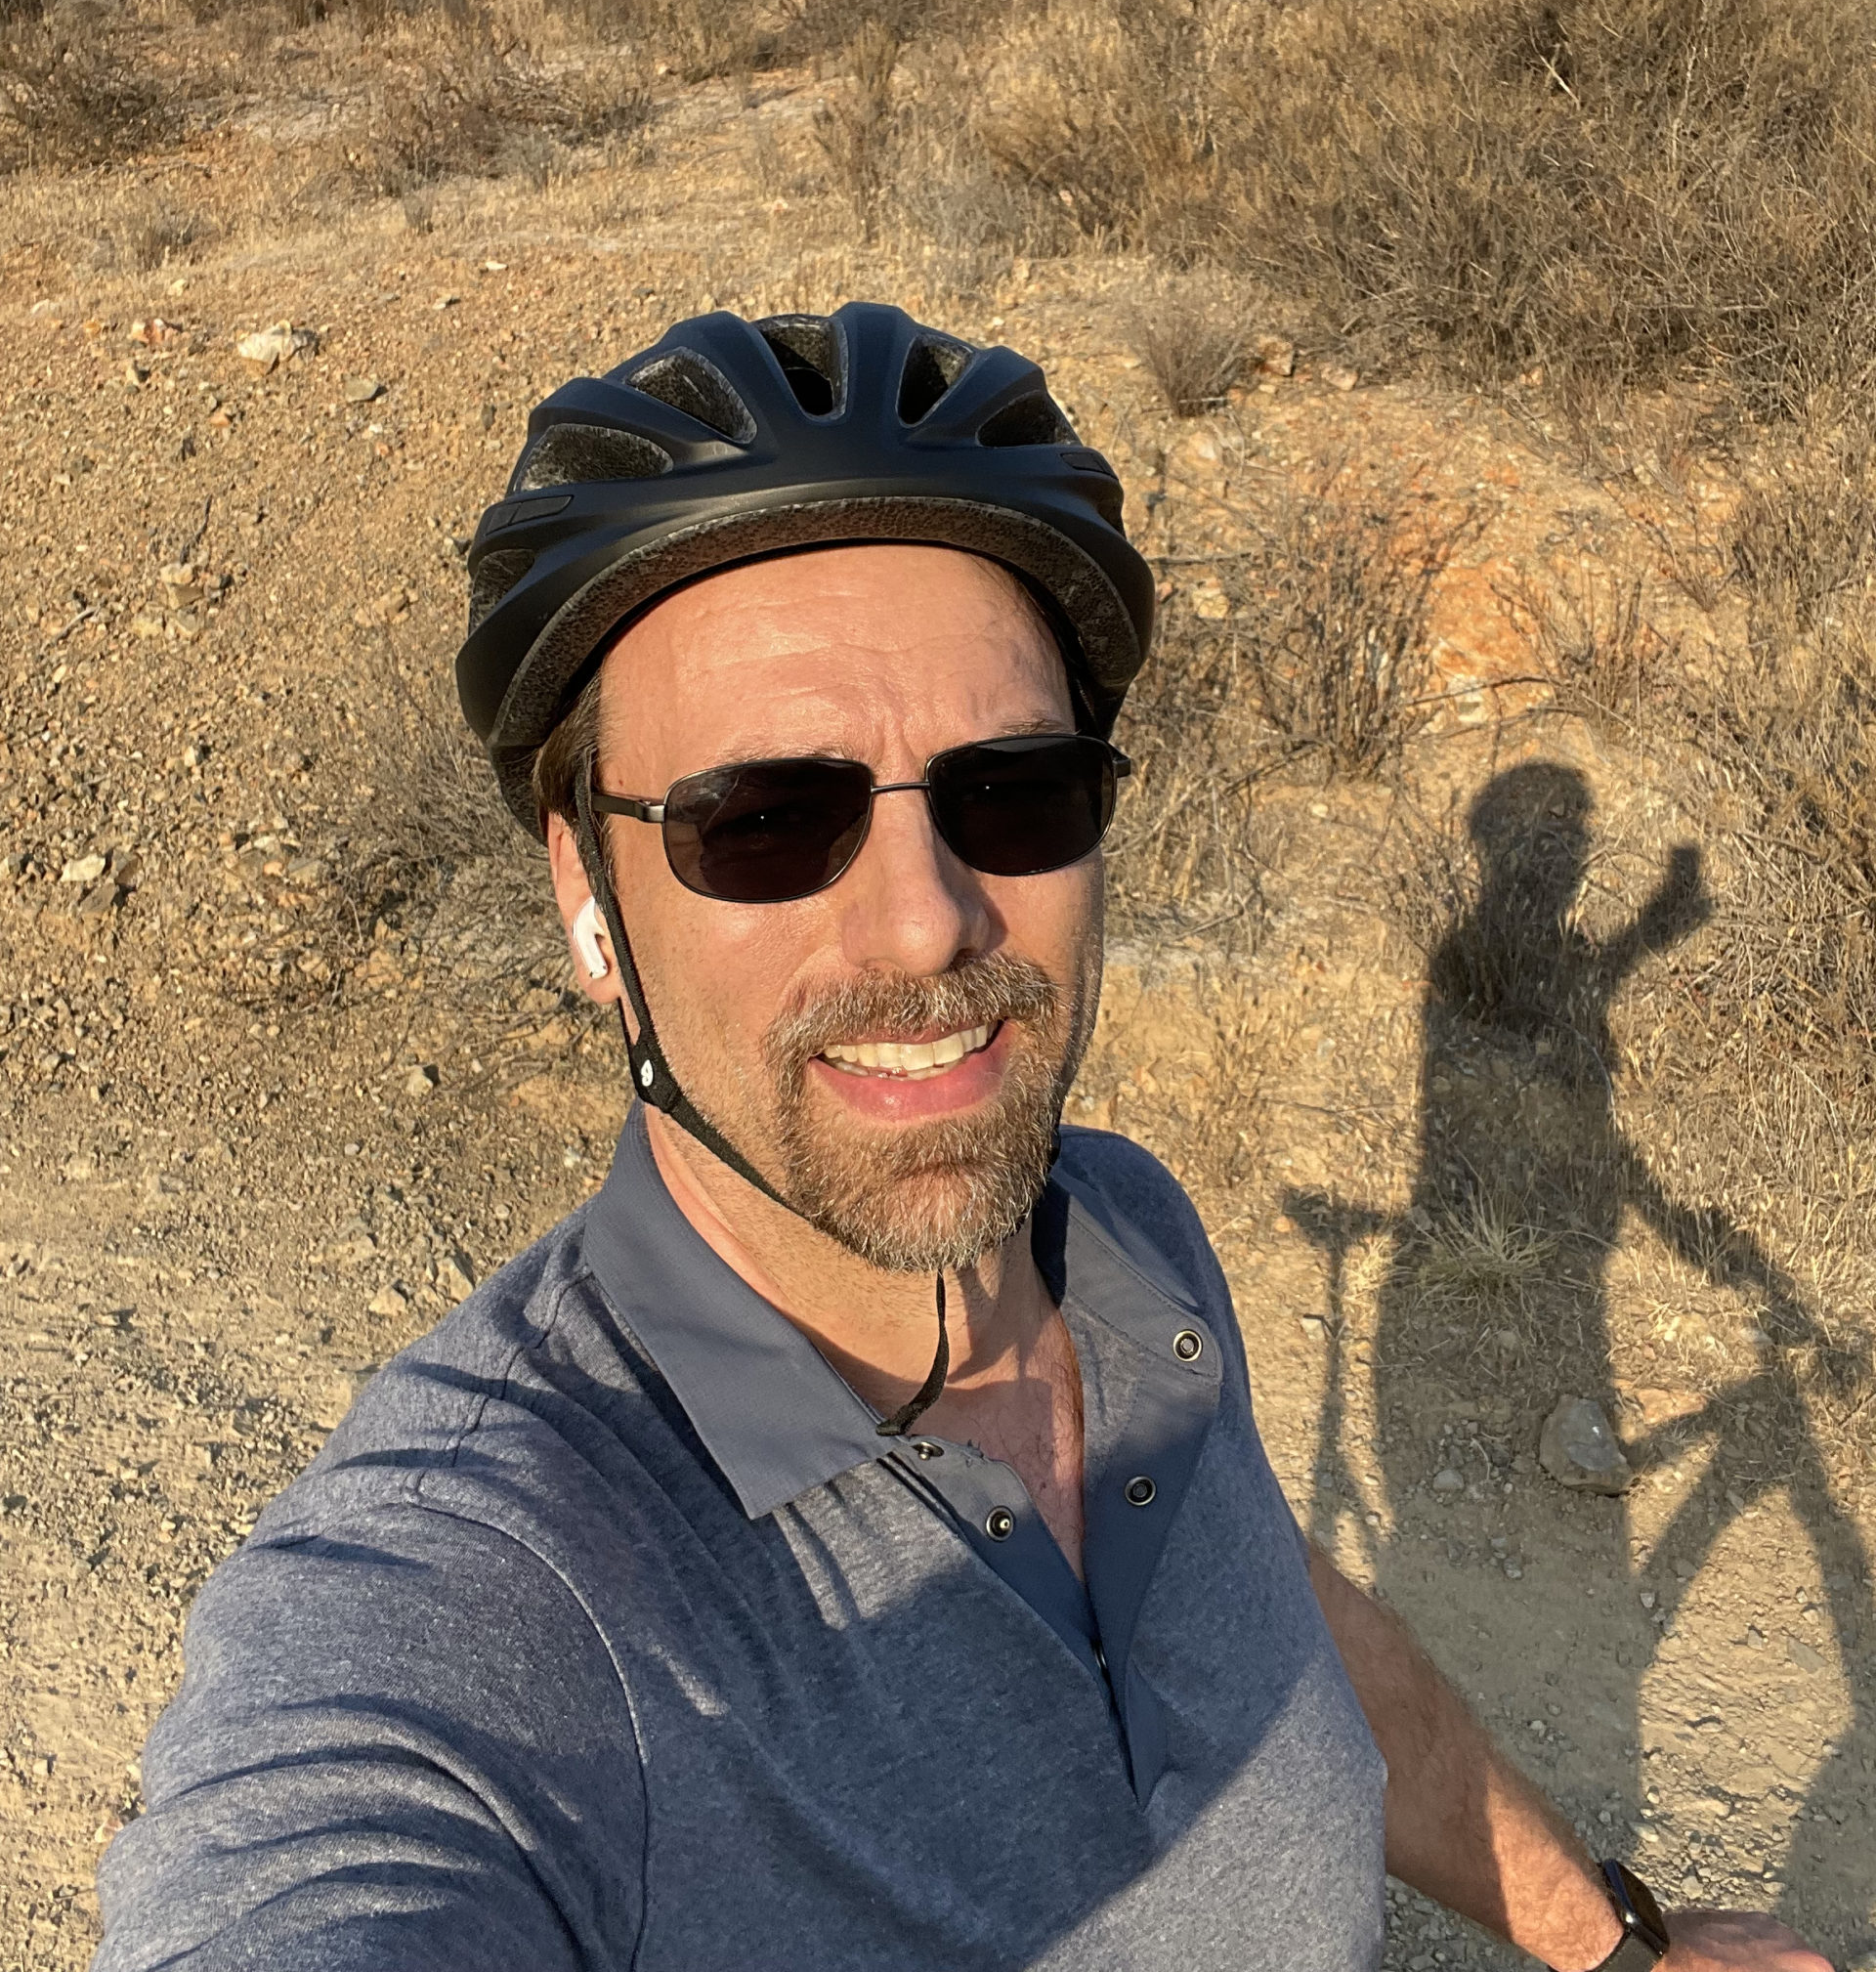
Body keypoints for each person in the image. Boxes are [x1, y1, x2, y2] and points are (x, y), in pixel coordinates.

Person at [94, 305, 1829, 1971]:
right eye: (766, 821)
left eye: (1014, 792)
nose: (926, 926)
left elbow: (1287, 1641)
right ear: (587, 892)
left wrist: (1613, 1939)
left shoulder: (1122, 1229)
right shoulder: (484, 1599)